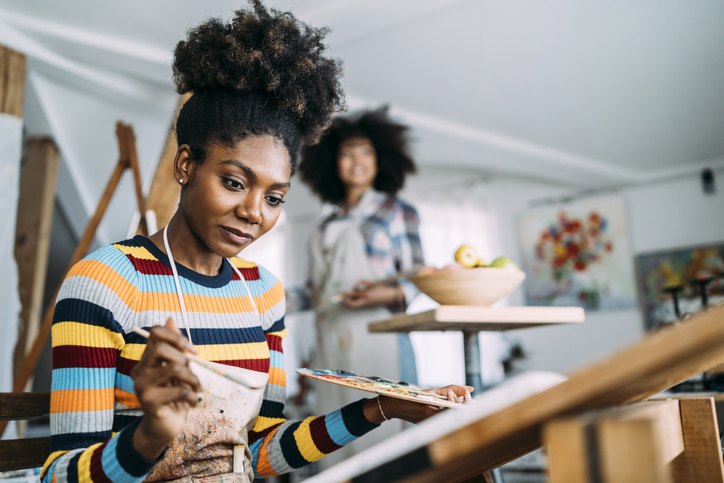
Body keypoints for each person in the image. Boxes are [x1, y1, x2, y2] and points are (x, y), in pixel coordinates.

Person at [41, 3, 471, 483]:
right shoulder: (104, 282)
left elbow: (262, 451)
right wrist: (148, 436)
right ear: (185, 165)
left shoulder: (263, 292)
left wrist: (381, 408)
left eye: (274, 197)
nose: (253, 212)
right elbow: (57, 475)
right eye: (233, 182)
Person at [286, 108, 424, 465]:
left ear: (381, 159)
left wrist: (383, 294)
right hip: (331, 347)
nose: (356, 160)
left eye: (366, 151)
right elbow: (317, 291)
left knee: (386, 446)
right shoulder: (323, 225)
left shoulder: (396, 211)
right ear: (333, 162)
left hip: (381, 340)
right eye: (347, 153)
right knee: (337, 442)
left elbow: (418, 276)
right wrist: (273, 300)